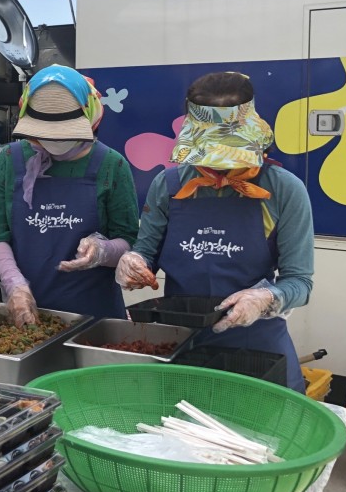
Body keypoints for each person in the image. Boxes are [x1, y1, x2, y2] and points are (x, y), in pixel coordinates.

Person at [116, 72, 313, 392]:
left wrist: (266, 298)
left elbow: (300, 282)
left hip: (258, 350)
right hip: (179, 347)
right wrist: (133, 261)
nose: (220, 167)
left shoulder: (284, 190)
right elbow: (147, 253)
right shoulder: (167, 185)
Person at [0, 65, 139, 325]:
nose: (53, 142)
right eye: (42, 135)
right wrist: (14, 283)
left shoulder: (111, 165)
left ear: (90, 117)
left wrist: (102, 251)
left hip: (93, 317)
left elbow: (129, 239)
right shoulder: (10, 159)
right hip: (23, 315)